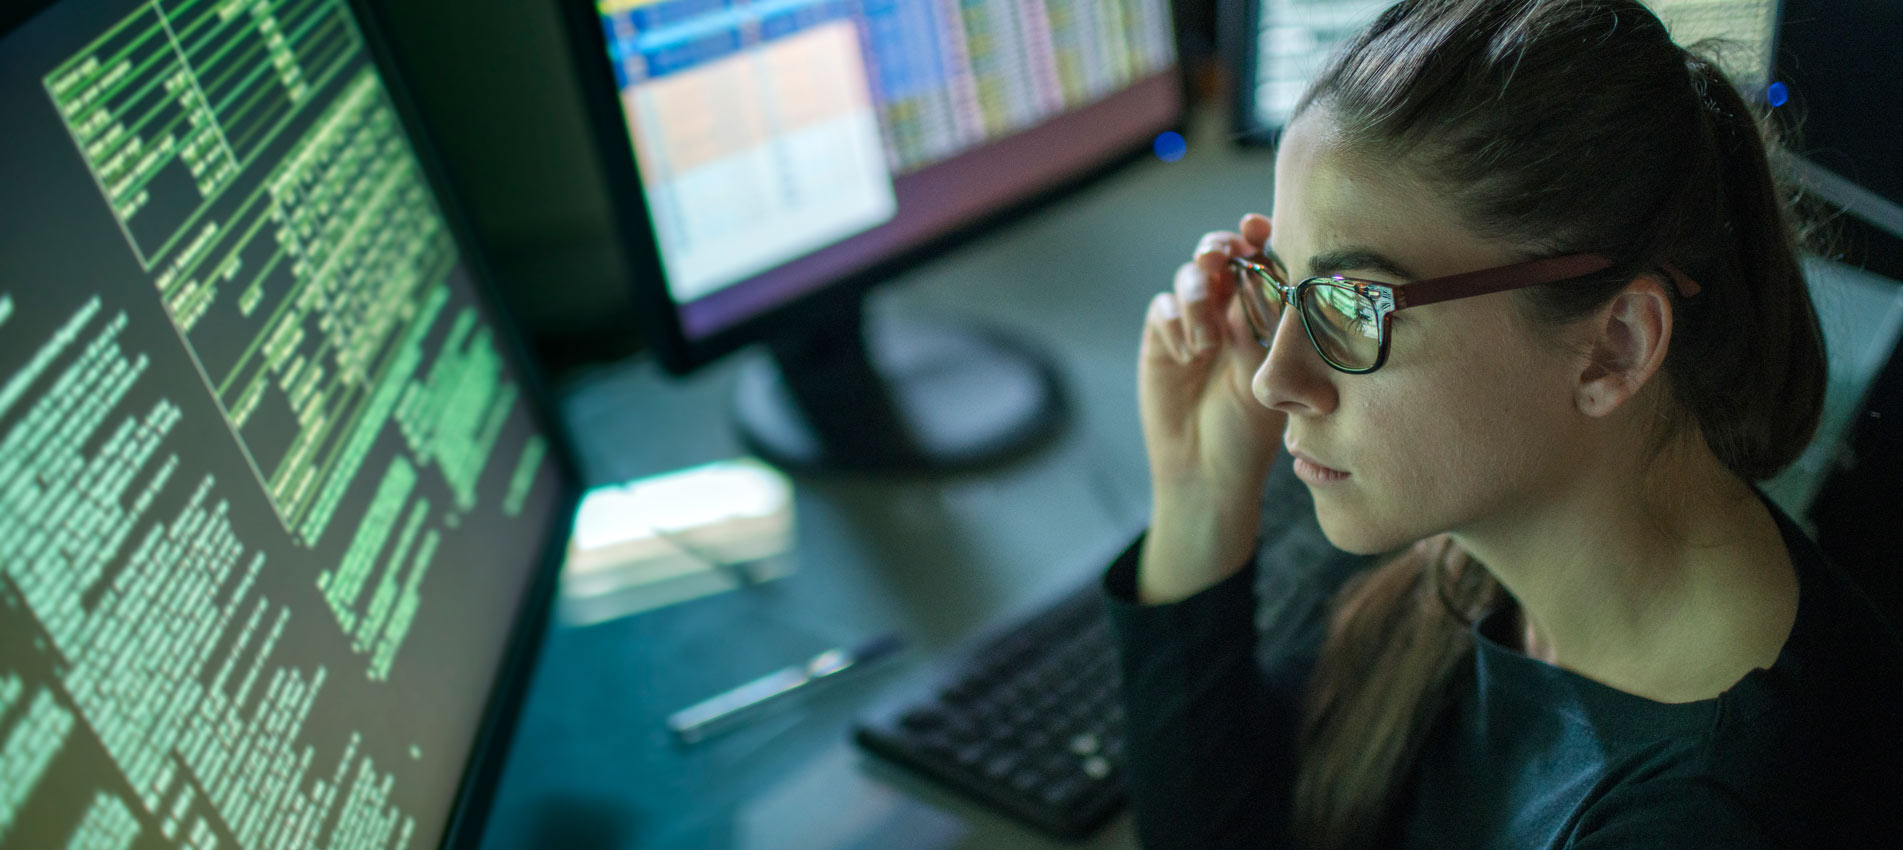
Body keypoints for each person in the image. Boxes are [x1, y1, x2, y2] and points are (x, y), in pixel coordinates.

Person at [1101, 0, 1903, 847]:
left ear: (1613, 349)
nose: (1273, 381)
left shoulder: (1707, 819)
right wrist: (1200, 495)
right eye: (1280, 284)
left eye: (1354, 304)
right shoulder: (1474, 546)